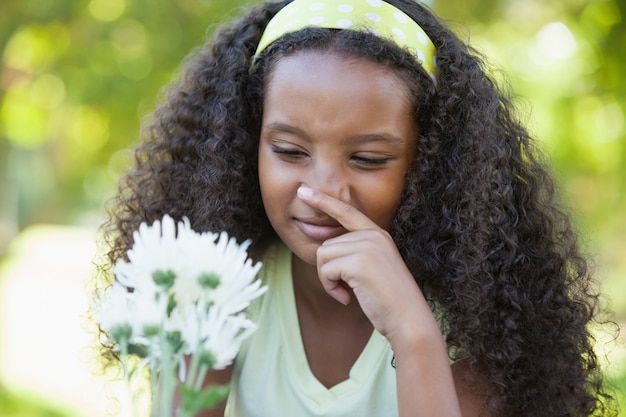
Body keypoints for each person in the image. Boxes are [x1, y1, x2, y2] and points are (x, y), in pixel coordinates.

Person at [97, 0, 618, 416]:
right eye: (289, 151)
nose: (322, 192)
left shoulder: (476, 313)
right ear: (245, 143)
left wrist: (413, 331)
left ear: (430, 164)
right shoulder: (223, 287)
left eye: (368, 159)